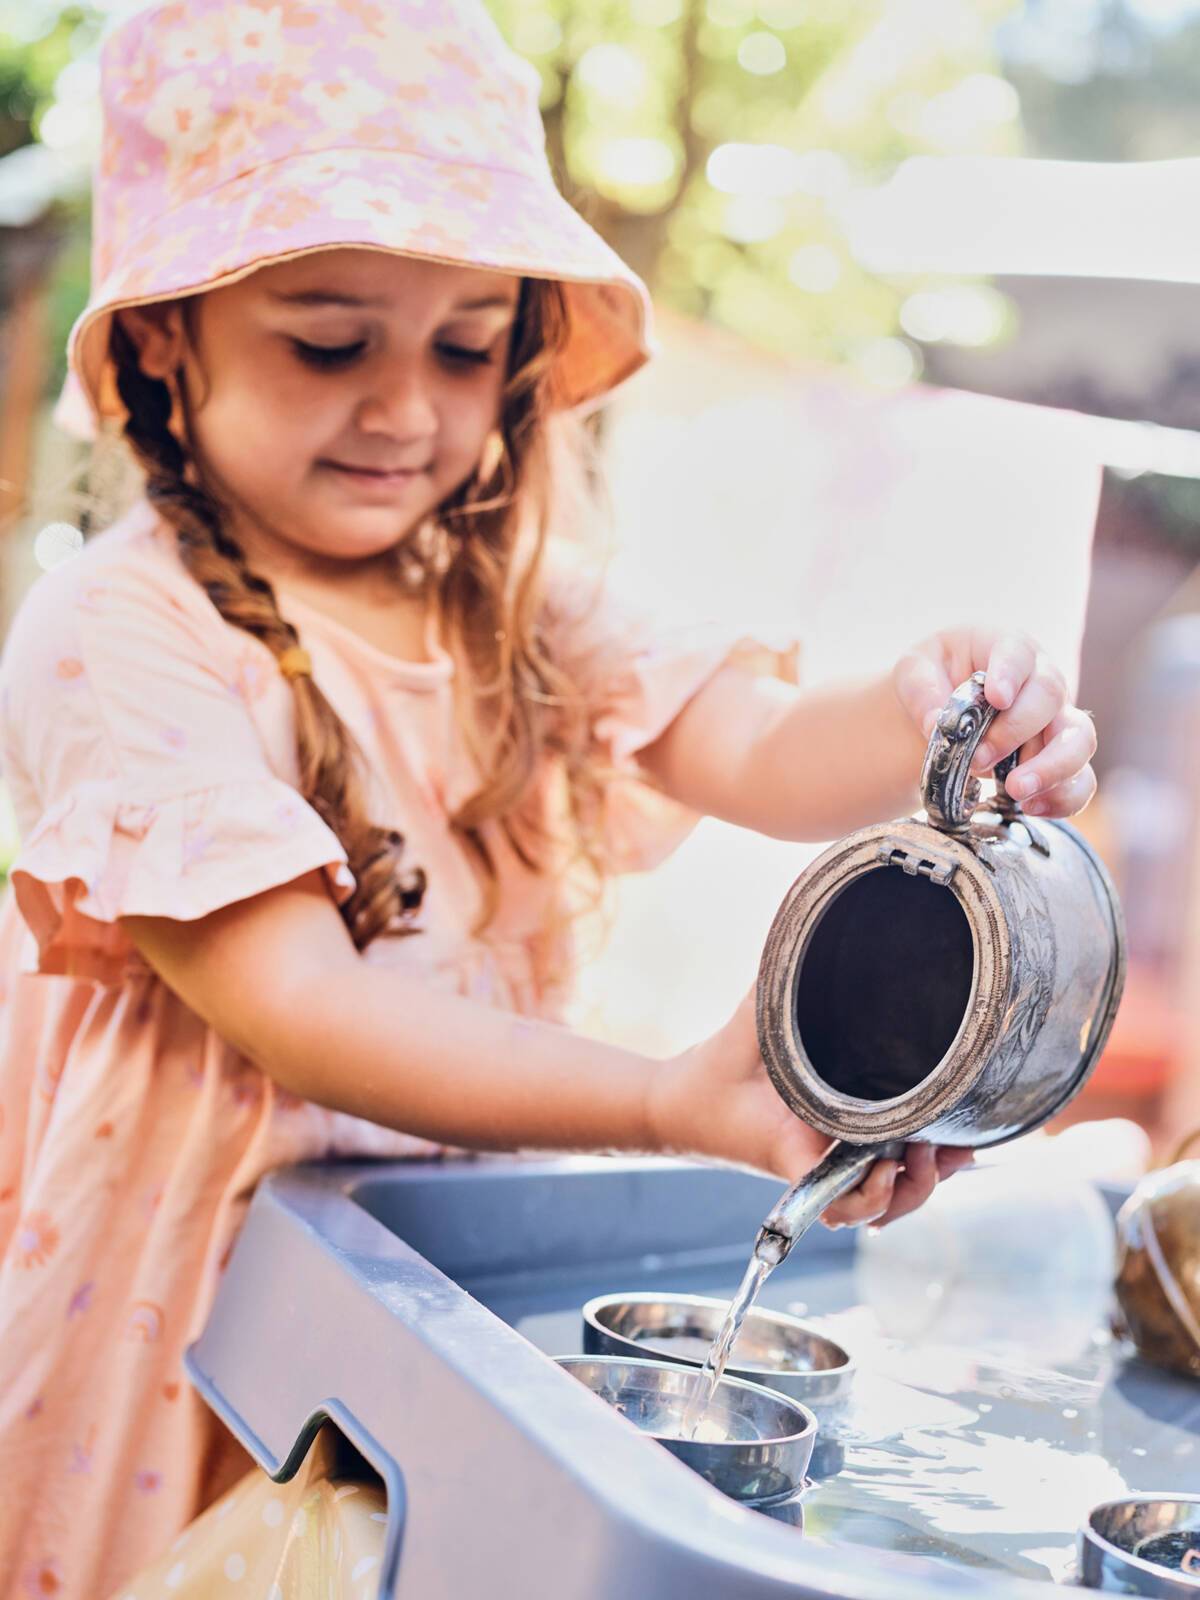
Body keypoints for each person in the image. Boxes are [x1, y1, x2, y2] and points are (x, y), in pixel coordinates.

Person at [0, 1, 1099, 1594]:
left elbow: (761, 742)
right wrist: (663, 1098)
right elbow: (304, 1008)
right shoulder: (123, 633)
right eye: (328, 341)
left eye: (467, 344)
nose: (407, 411)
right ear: (169, 336)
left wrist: (928, 708)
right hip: (179, 1339)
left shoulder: (507, 599)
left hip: (430, 1315)